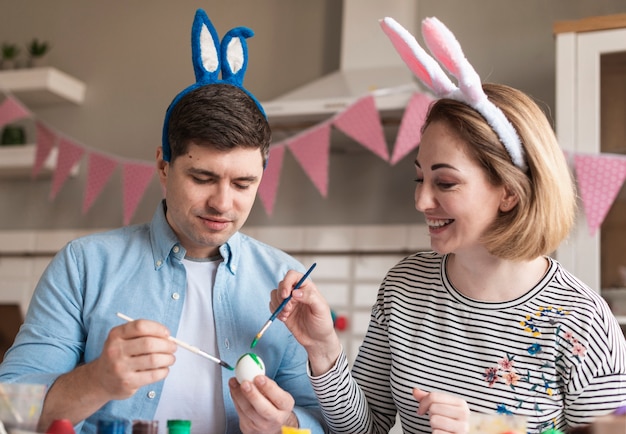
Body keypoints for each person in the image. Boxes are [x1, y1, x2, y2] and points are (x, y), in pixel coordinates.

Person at [269, 17, 626, 434]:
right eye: (420, 178)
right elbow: (365, 429)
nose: (421, 200)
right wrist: (323, 348)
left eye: (446, 182)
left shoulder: (581, 320)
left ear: (509, 192)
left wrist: (485, 430)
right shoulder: (404, 288)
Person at [0, 9, 326, 434]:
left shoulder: (286, 283)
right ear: (163, 166)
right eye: (202, 177)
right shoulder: (83, 266)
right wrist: (96, 380)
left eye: (244, 183)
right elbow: (9, 410)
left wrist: (286, 426)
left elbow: (320, 422)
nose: (222, 203)